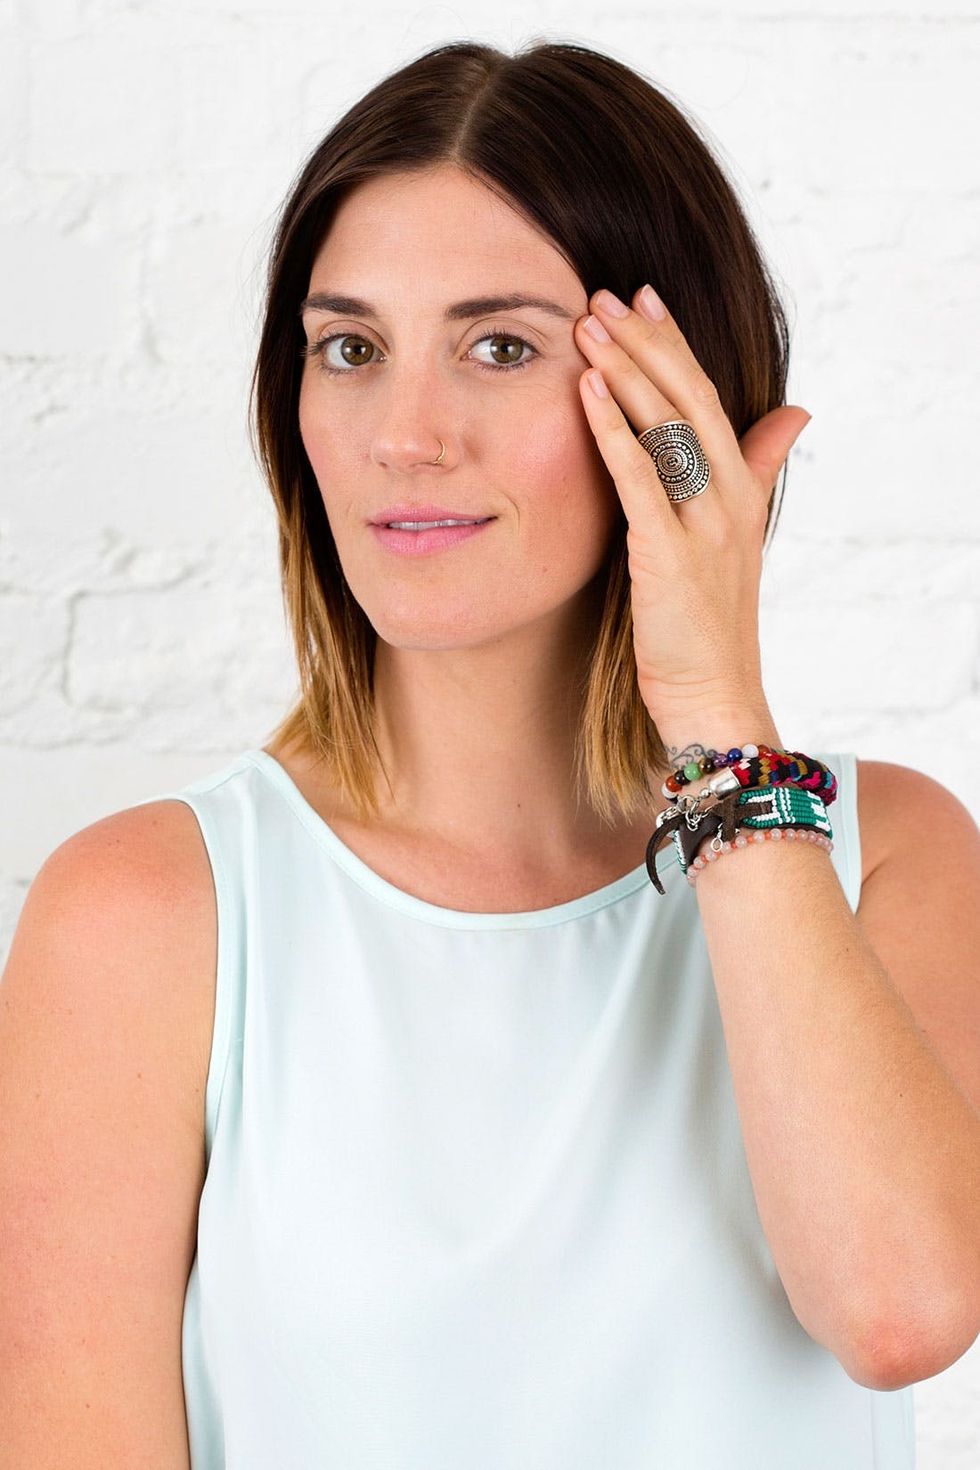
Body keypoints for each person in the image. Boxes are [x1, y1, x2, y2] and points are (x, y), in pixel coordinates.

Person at [2, 37, 979, 1470]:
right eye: (350, 349)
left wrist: (716, 706)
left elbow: (901, 1314)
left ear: (676, 408)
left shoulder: (884, 854)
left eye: (501, 346)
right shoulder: (146, 921)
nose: (404, 436)